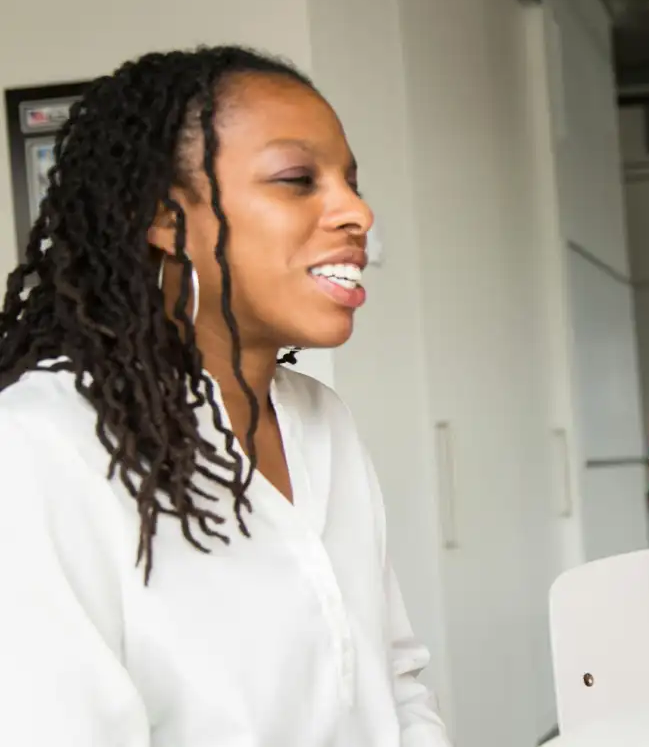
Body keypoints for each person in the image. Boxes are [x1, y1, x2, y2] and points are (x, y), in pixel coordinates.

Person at [0, 47, 449, 745]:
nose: (357, 212)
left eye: (351, 183)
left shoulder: (322, 422)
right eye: (298, 179)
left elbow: (393, 688)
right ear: (160, 216)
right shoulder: (38, 447)